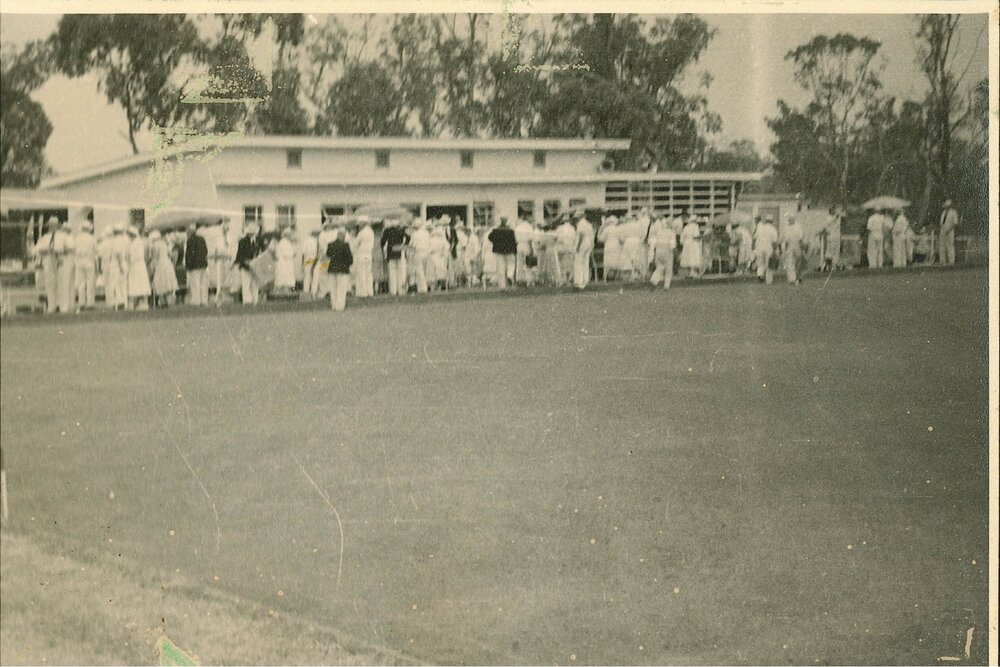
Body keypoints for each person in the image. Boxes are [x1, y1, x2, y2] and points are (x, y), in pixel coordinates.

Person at [34, 218, 60, 313]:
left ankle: (60, 304)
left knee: (60, 283)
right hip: (48, 261)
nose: (53, 227)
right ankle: (52, 306)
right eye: (51, 225)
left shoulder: (61, 237)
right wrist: (46, 250)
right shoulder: (44, 238)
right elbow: (36, 250)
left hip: (60, 262)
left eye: (55, 225)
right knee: (50, 284)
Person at [325, 227, 354, 311]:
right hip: (343, 269)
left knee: (333, 288)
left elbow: (328, 255)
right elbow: (350, 259)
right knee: (341, 288)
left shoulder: (330, 244)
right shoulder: (345, 245)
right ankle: (340, 306)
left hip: (332, 269)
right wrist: (349, 265)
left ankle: (334, 305)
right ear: (343, 236)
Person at [380, 219, 410, 296]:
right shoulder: (401, 230)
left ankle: (393, 291)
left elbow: (383, 241)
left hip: (391, 252)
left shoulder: (387, 231)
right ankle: (401, 291)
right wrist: (404, 245)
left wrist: (383, 249)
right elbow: (408, 237)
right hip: (400, 251)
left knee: (392, 273)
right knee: (401, 273)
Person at [149, 230, 178, 307]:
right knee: (168, 281)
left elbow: (155, 257)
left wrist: (152, 267)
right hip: (168, 263)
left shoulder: (155, 245)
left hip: (161, 263)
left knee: (160, 281)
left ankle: (162, 301)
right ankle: (168, 301)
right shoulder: (164, 243)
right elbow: (170, 254)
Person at [73, 220, 97, 311]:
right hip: (89, 259)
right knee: (90, 282)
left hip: (79, 260)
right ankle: (90, 303)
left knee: (81, 283)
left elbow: (74, 249)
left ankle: (81, 303)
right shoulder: (92, 238)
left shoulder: (77, 238)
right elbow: (96, 250)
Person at [234, 223, 261, 305]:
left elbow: (261, 252)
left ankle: (255, 301)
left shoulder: (258, 240)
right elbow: (239, 255)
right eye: (252, 232)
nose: (254, 234)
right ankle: (247, 301)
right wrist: (245, 262)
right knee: (246, 283)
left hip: (256, 266)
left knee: (255, 284)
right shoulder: (242, 241)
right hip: (245, 266)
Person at [487, 217, 517, 290]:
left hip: (499, 250)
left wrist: (496, 243)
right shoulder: (511, 230)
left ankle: (502, 285)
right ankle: (510, 275)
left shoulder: (496, 230)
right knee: (511, 264)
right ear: (506, 221)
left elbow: (490, 237)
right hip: (509, 250)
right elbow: (514, 240)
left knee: (501, 267)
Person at [126, 226, 151, 310]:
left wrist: (129, 259)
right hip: (135, 265)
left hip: (137, 265)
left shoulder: (137, 243)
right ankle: (137, 303)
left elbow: (137, 255)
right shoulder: (134, 242)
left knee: (139, 283)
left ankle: (141, 302)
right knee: (137, 284)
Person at [53, 219, 75, 314]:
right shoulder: (60, 236)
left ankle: (69, 305)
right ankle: (63, 306)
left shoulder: (69, 237)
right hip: (64, 260)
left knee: (69, 283)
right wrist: (67, 251)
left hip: (71, 260)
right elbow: (58, 250)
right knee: (64, 284)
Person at [184, 223, 209, 306]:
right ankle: (204, 300)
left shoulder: (190, 240)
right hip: (203, 264)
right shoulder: (202, 239)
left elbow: (189, 254)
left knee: (195, 283)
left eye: (187, 231)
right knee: (203, 283)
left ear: (190, 231)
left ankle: (196, 301)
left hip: (194, 265)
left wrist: (188, 265)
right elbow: (206, 251)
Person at [648, 215, 676, 289]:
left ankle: (654, 280)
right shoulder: (671, 233)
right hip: (667, 251)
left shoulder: (660, 232)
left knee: (659, 267)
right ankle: (666, 285)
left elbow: (654, 241)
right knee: (668, 268)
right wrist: (672, 249)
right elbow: (672, 245)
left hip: (658, 251)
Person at [108, 224, 130, 310]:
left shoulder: (115, 241)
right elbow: (127, 253)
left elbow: (117, 254)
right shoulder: (126, 240)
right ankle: (124, 302)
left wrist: (120, 265)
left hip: (116, 263)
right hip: (124, 262)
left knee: (115, 284)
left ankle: (119, 302)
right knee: (123, 284)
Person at [754, 215, 779, 285]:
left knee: (761, 263)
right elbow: (774, 241)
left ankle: (760, 275)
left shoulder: (761, 228)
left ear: (765, 221)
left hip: (760, 247)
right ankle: (768, 281)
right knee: (769, 264)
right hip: (769, 248)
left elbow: (755, 237)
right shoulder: (773, 229)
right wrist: (775, 250)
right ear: (772, 221)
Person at [573, 210, 595, 289]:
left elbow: (581, 235)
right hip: (588, 243)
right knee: (585, 262)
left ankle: (578, 282)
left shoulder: (580, 224)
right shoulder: (588, 224)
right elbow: (592, 236)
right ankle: (585, 281)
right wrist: (592, 245)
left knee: (578, 262)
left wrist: (578, 246)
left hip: (582, 244)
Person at [354, 217, 375, 298]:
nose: (359, 225)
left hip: (362, 254)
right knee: (368, 274)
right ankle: (370, 291)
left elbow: (356, 244)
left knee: (361, 274)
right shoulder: (371, 232)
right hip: (368, 254)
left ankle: (362, 293)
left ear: (363, 223)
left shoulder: (362, 233)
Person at [514, 216, 537, 287]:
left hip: (519, 245)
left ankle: (520, 280)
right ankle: (528, 280)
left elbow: (515, 239)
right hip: (526, 245)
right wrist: (531, 249)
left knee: (520, 263)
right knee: (528, 263)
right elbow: (530, 239)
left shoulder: (518, 227)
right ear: (527, 218)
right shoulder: (529, 227)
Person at [781, 215, 804, 285]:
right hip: (790, 246)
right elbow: (783, 238)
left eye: (792, 219)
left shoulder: (797, 227)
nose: (790, 221)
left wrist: (801, 248)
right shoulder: (786, 227)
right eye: (789, 219)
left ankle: (796, 278)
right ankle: (793, 279)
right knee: (790, 263)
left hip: (795, 245)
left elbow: (801, 238)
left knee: (795, 263)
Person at [274, 228, 297, 293]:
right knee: (284, 276)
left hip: (287, 262)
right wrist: (293, 254)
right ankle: (283, 291)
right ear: (286, 235)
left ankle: (285, 291)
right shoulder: (284, 242)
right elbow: (286, 253)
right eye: (289, 235)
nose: (290, 236)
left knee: (286, 276)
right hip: (284, 262)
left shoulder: (287, 242)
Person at [556, 216, 576, 285]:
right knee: (569, 265)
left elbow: (557, 239)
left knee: (561, 265)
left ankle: (563, 280)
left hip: (561, 248)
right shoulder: (572, 229)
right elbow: (574, 239)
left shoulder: (559, 228)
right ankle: (569, 279)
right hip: (570, 249)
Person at [938, 199, 958, 265]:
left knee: (950, 245)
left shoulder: (953, 212)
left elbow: (955, 223)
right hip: (943, 230)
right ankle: (942, 261)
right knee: (942, 245)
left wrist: (949, 230)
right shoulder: (943, 212)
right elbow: (942, 222)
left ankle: (951, 261)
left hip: (950, 230)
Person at [301, 229, 319, 296]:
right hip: (314, 257)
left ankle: (306, 290)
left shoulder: (306, 240)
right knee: (315, 274)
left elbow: (303, 253)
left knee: (307, 274)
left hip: (307, 258)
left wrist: (302, 263)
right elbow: (317, 251)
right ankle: (314, 291)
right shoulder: (316, 241)